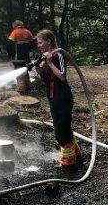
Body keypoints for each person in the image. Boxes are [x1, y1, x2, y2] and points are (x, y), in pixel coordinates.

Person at [34, 29, 83, 168]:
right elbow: (43, 75)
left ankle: (69, 164)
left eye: (40, 42)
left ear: (49, 42)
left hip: (62, 96)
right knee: (63, 127)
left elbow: (62, 76)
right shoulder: (46, 56)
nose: (38, 45)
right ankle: (76, 156)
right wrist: (39, 64)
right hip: (52, 97)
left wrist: (49, 62)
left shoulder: (59, 54)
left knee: (61, 130)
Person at [6, 20, 35, 92]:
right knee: (25, 71)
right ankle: (28, 86)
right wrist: (28, 49)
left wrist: (11, 54)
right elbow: (33, 43)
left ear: (15, 26)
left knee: (18, 73)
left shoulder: (14, 32)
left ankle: (21, 89)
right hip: (26, 57)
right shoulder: (28, 32)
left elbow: (9, 45)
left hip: (17, 58)